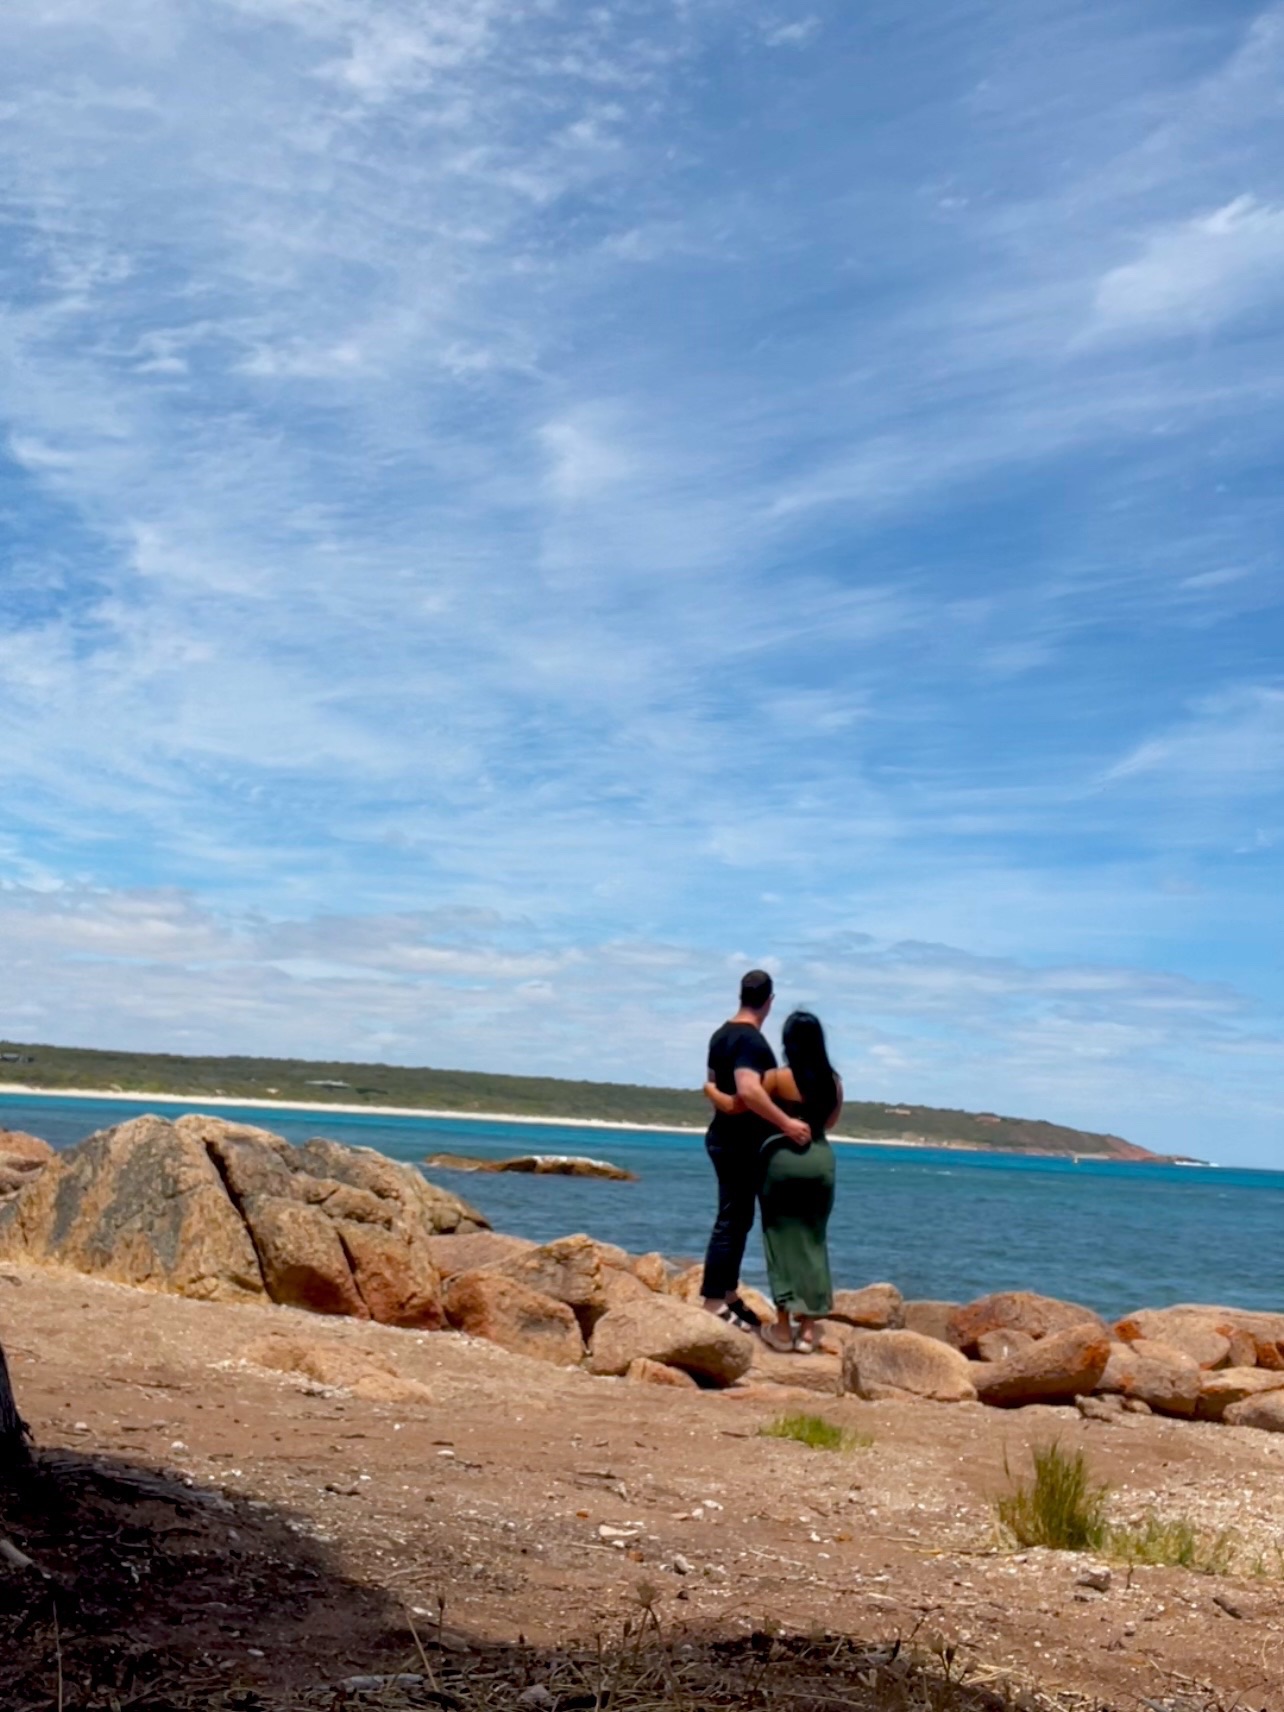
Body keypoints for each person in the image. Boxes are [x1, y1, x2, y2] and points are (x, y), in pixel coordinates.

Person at [704, 1010, 842, 1353]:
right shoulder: (834, 1082)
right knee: (814, 1239)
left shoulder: (779, 1079)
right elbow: (832, 1122)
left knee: (779, 1241)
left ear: (787, 1043)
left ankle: (782, 1330)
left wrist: (710, 1090)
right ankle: (808, 1331)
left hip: (782, 1162)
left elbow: (740, 1103)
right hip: (820, 1160)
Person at [699, 970, 811, 1330]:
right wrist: (786, 1123)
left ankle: (728, 1292)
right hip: (737, 1143)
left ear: (741, 996)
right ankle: (714, 1300)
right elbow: (747, 1090)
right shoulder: (751, 1042)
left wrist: (723, 1102)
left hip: (723, 1137)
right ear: (770, 1001)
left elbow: (714, 1086)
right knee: (732, 1219)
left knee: (740, 1217)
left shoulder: (721, 1035)